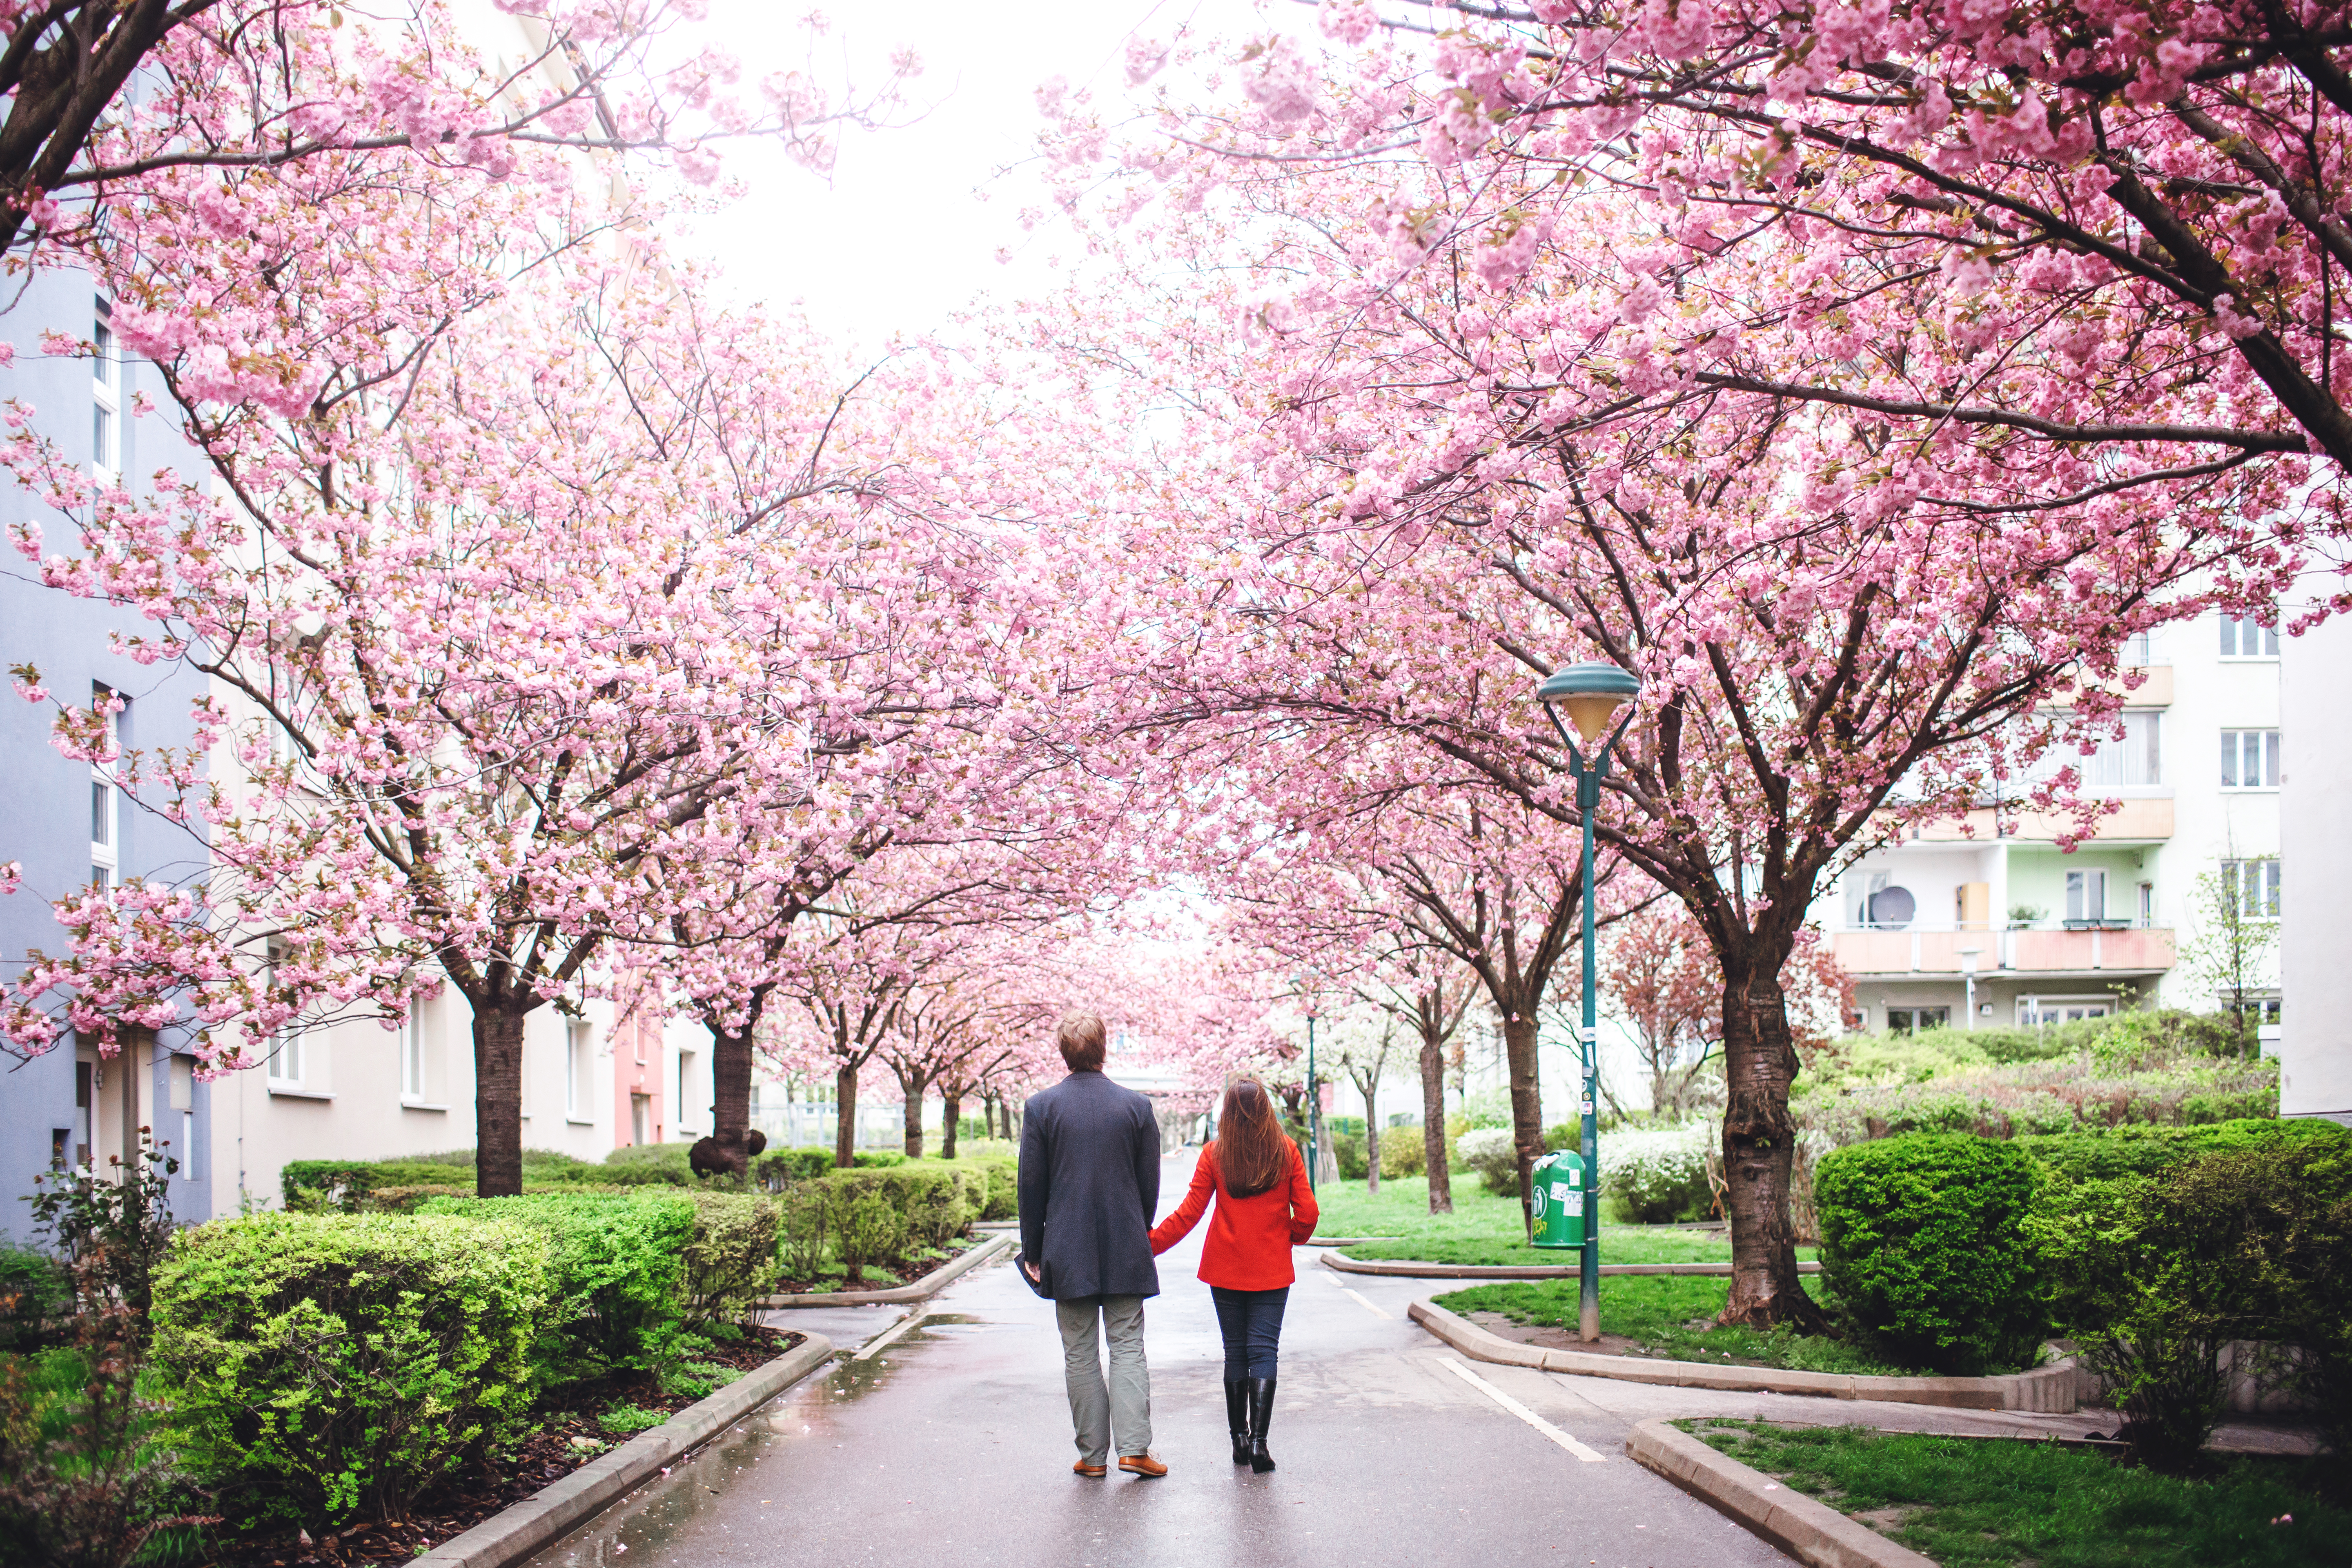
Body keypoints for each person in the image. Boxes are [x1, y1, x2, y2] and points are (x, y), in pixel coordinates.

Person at [1017, 1011, 1168, 1479]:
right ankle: (1135, 1449)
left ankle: (1094, 1457)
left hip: (1067, 1247)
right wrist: (1135, 1227)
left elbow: (1031, 1186)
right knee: (1127, 1345)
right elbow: (1150, 1184)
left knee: (1079, 1352)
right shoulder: (1136, 1107)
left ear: (1064, 1053)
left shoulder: (1042, 1108)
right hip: (1125, 1243)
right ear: (1104, 1049)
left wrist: (1034, 1251)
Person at [1147, 1076, 1319, 1474]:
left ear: (1227, 1112)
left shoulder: (1215, 1153)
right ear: (1266, 1110)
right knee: (1264, 1351)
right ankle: (1260, 1444)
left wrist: (1148, 1245)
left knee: (1235, 1351)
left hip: (1225, 1269)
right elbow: (1308, 1213)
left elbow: (1190, 1212)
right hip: (1271, 1269)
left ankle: (1239, 1440)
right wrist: (1288, 1237)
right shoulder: (1286, 1151)